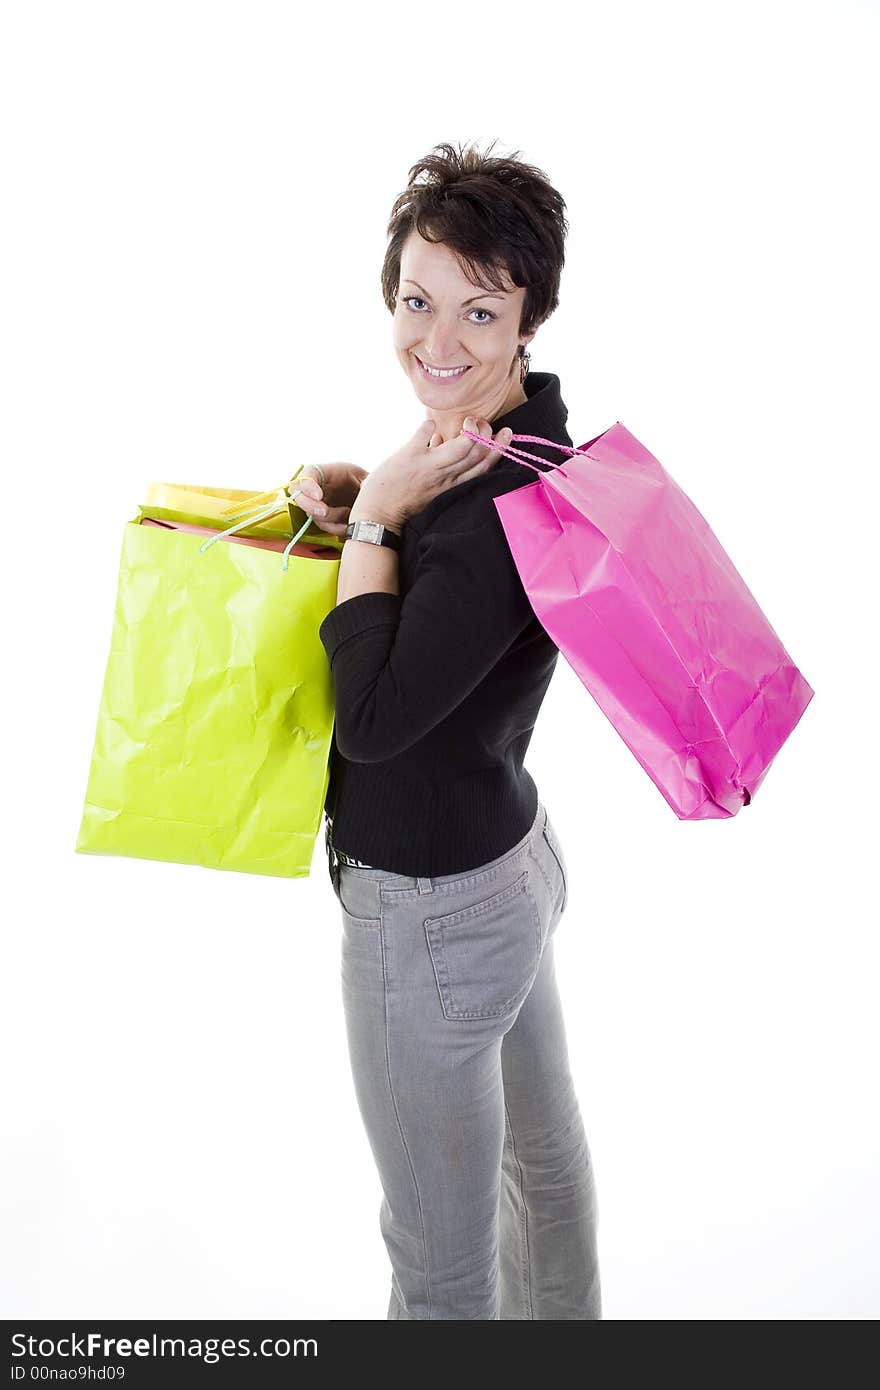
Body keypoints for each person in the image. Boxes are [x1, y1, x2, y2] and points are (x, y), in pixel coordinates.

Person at [294, 140, 601, 1320]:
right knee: (542, 1167)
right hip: (505, 863)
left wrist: (375, 518)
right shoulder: (525, 433)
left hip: (427, 912)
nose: (438, 340)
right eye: (417, 300)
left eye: (480, 310)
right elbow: (436, 614)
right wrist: (367, 509)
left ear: (530, 316)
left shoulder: (492, 516)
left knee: (436, 1263)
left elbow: (371, 721)